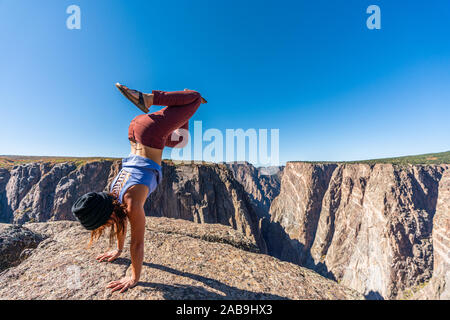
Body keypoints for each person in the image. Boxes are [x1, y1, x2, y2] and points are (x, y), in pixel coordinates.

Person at [71, 84, 207, 293]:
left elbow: (137, 244)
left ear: (105, 216)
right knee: (181, 140)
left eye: (103, 224)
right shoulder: (114, 194)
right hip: (136, 131)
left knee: (195, 97)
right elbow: (119, 221)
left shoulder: (132, 203)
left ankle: (147, 99)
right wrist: (117, 249)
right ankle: (182, 98)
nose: (106, 226)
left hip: (149, 134)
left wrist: (133, 277)